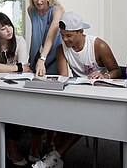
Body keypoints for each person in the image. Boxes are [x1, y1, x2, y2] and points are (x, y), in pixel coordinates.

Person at [34, 11, 121, 168]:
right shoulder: (62, 49)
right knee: (62, 111)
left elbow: (116, 70)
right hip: (81, 92)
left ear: (80, 32)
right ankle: (56, 157)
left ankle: (54, 156)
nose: (65, 39)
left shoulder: (98, 45)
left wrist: (105, 76)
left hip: (101, 94)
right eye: (62, 35)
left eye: (69, 35)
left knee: (82, 118)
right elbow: (63, 76)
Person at [0, 12, 32, 165]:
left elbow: (25, 69)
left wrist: (14, 68)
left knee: (13, 107)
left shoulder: (20, 40)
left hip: (15, 86)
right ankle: (7, 147)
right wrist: (17, 67)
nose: (9, 30)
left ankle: (13, 147)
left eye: (9, 25)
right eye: (3, 28)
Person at [28, 0, 64, 76]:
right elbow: (35, 34)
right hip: (37, 55)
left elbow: (51, 36)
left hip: (54, 54)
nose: (39, 1)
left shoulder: (57, 10)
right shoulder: (31, 10)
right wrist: (31, 57)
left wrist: (42, 58)